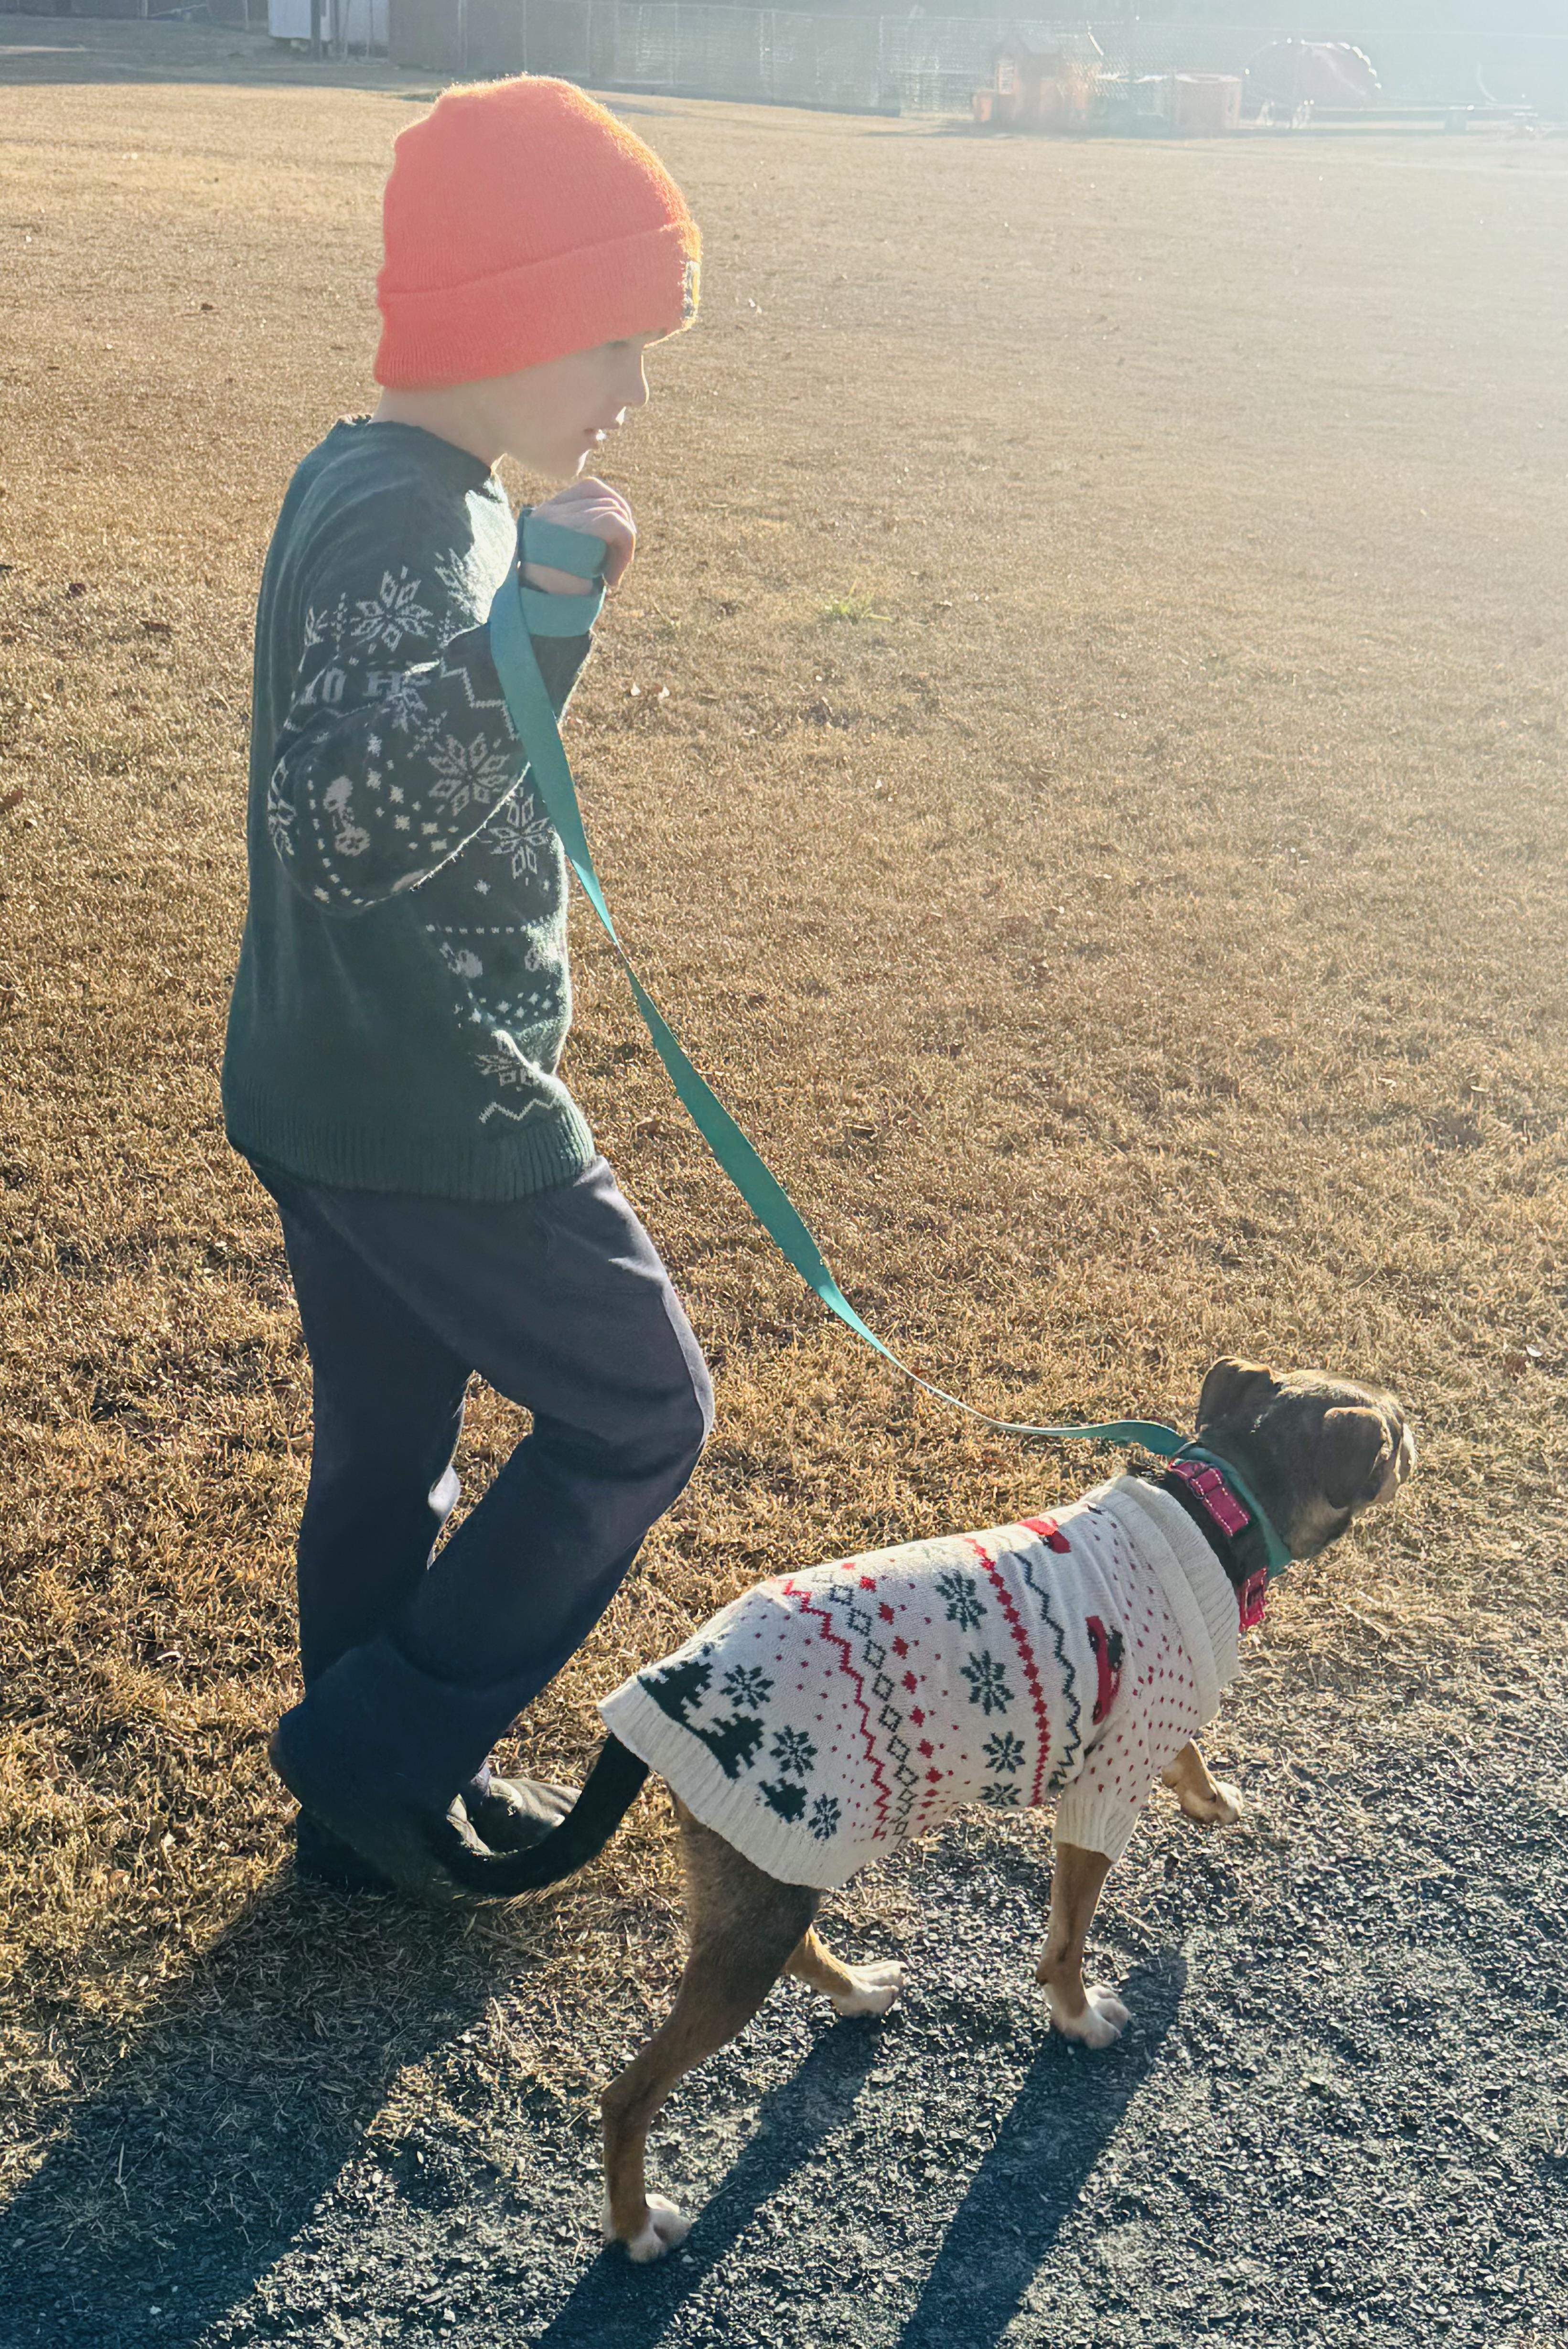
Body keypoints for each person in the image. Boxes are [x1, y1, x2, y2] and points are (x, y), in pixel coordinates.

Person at [219, 76, 713, 1900]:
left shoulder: (367, 479)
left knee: (388, 1457)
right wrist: (551, 618)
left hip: (325, 1080)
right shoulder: (417, 525)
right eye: (615, 342)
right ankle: (374, 1747)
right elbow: (350, 824)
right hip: (432, 1100)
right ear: (512, 318)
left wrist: (534, 615)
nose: (632, 393)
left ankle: (363, 1815)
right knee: (641, 1408)